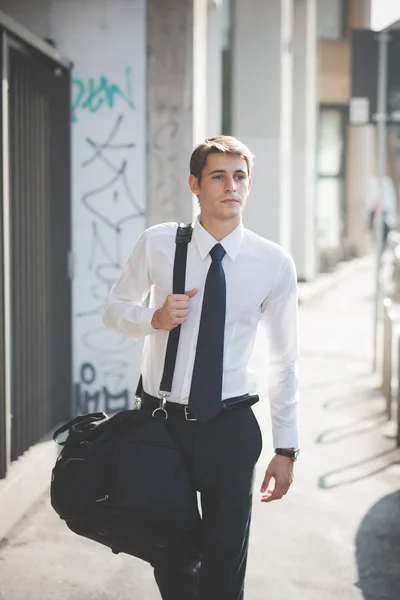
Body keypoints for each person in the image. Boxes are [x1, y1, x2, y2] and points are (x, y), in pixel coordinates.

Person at [102, 135, 299, 600]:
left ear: (249, 184)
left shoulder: (273, 263)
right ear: (195, 184)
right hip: (161, 426)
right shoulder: (158, 244)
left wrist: (286, 447)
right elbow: (114, 309)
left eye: (239, 176)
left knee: (224, 563)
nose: (231, 186)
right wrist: (153, 318)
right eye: (218, 176)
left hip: (229, 429)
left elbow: (284, 359)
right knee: (171, 558)